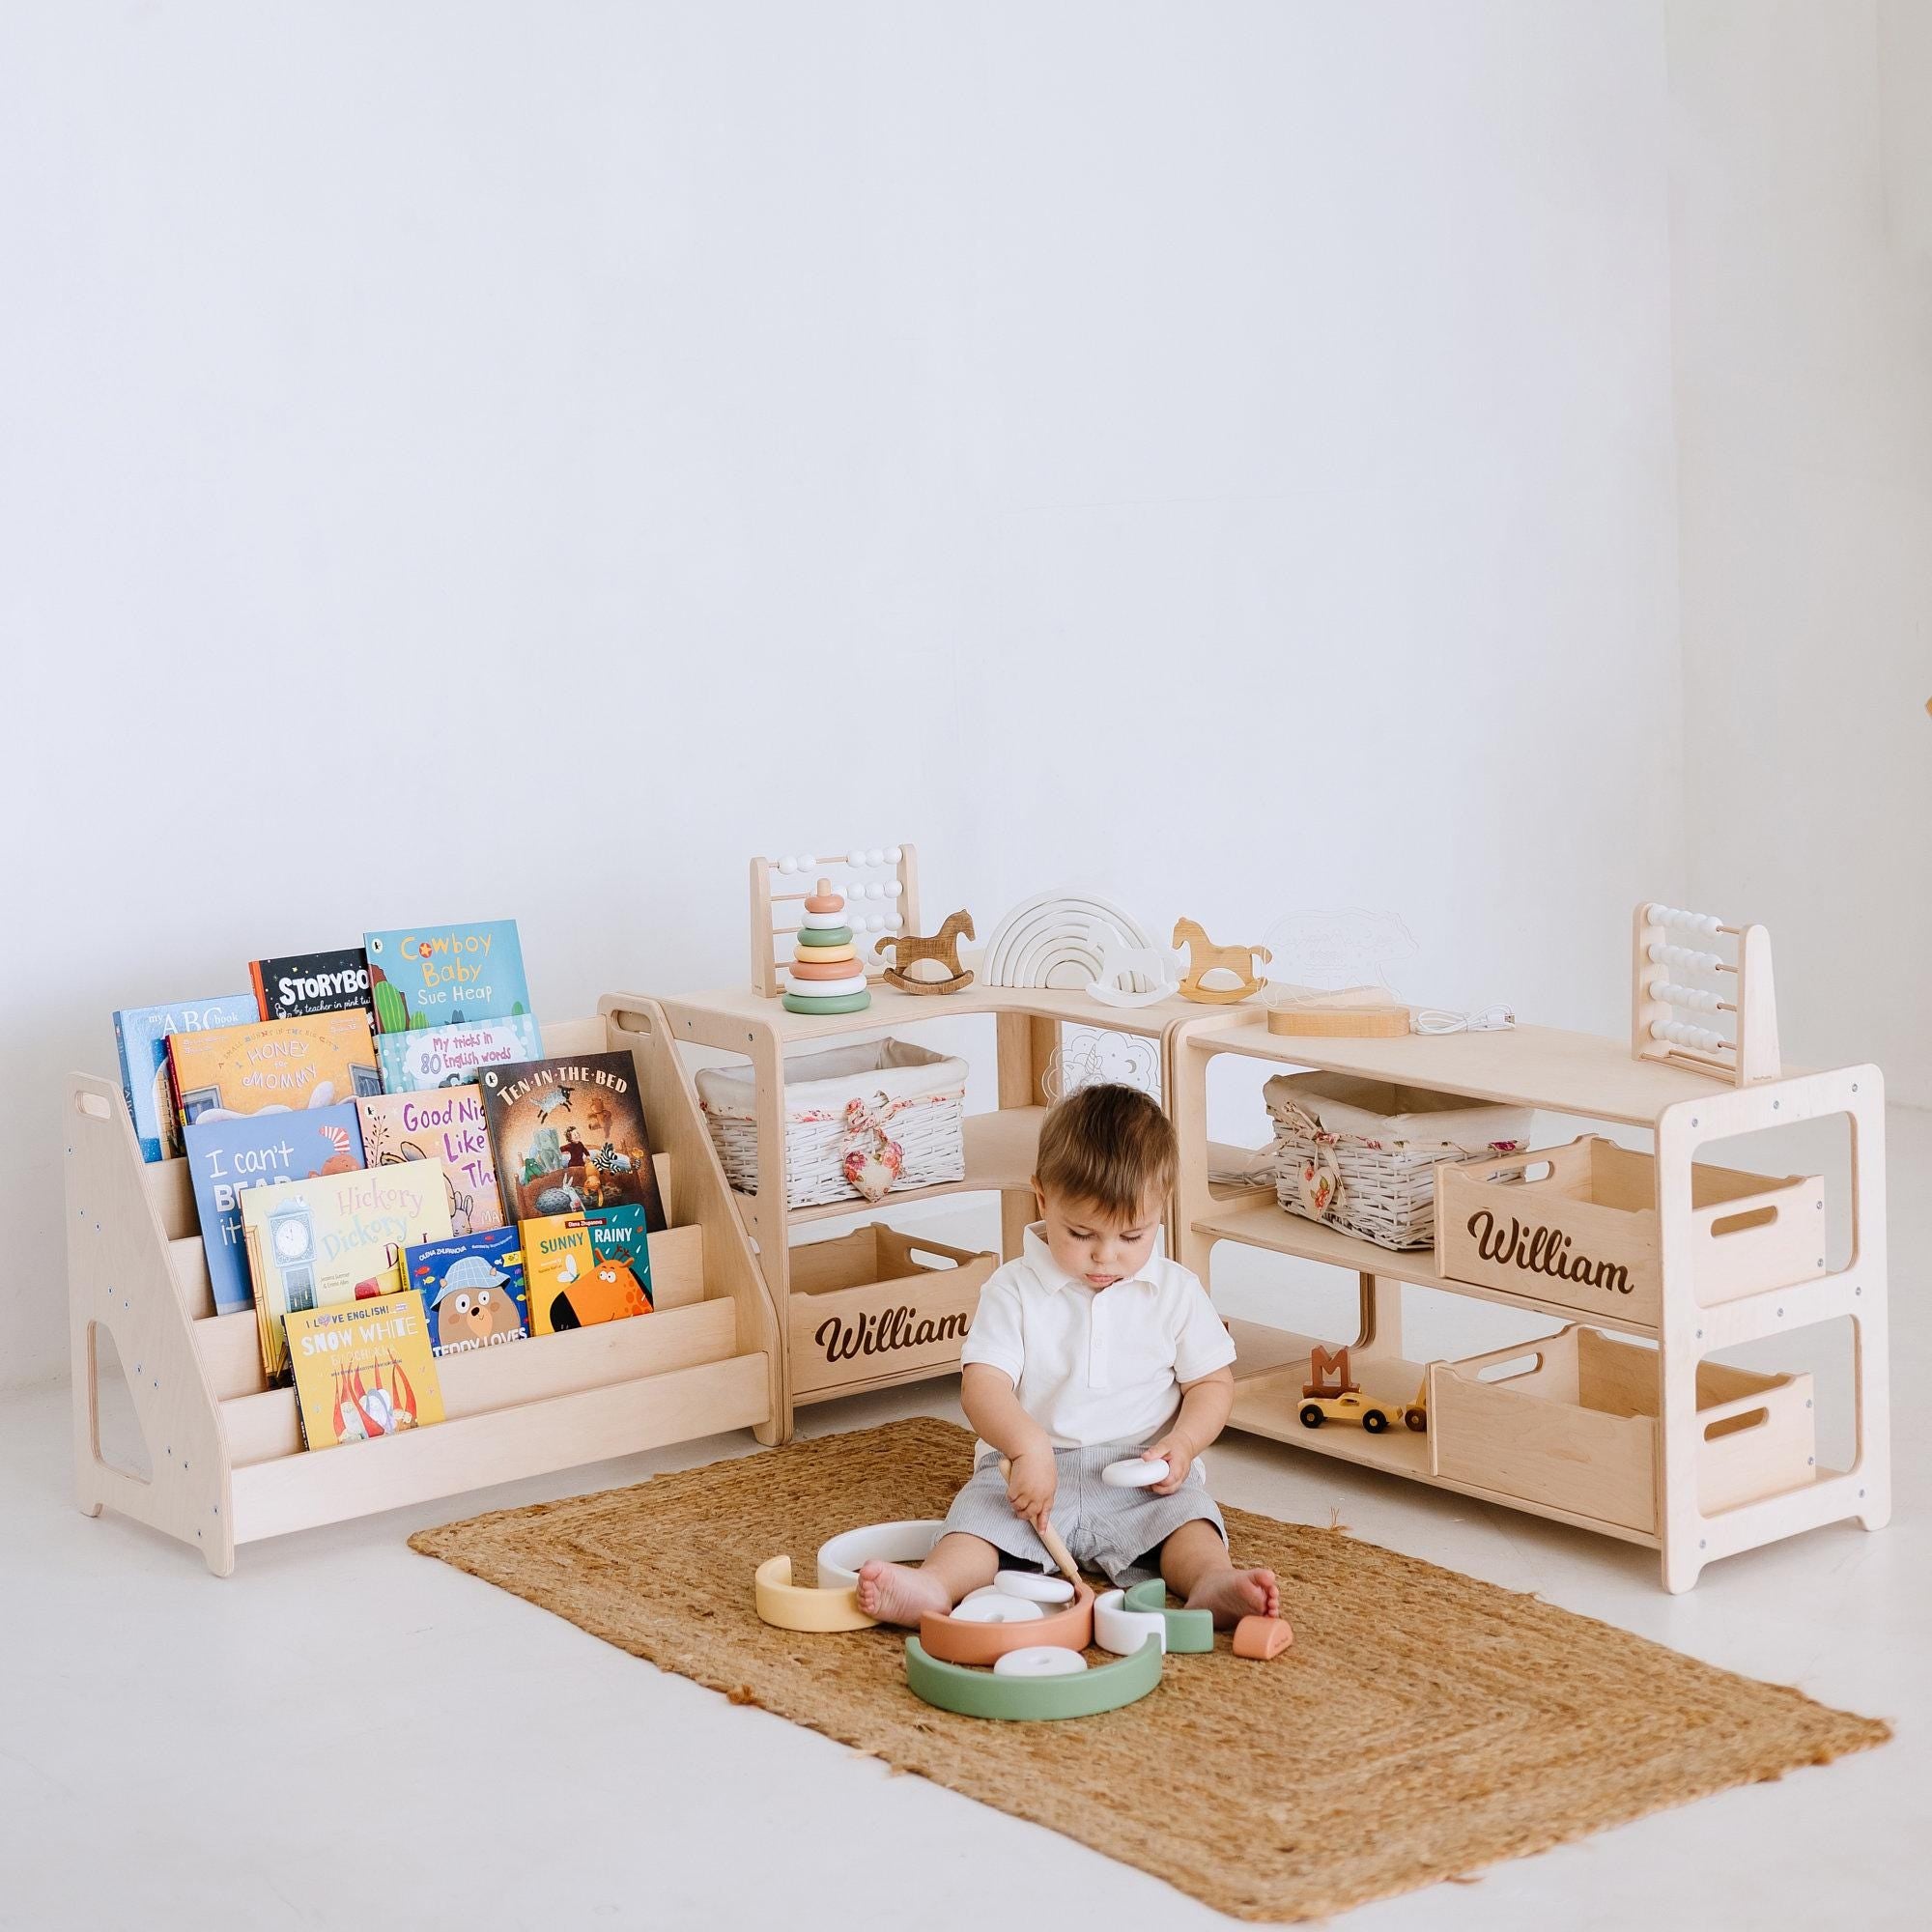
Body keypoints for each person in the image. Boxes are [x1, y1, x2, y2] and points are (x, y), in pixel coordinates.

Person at [856, 1082, 1278, 1626]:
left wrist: (1184, 1443)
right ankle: (934, 1585)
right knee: (976, 1522)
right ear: (1042, 1198)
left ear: (1160, 1211)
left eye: (1133, 1235)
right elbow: (982, 1384)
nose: (1106, 1256)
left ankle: (1212, 1582)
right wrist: (1026, 1446)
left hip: (1139, 1476)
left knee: (1189, 1522)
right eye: (1081, 1233)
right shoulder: (1013, 1288)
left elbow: (1212, 1385)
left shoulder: (1176, 1290)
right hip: (1026, 1472)